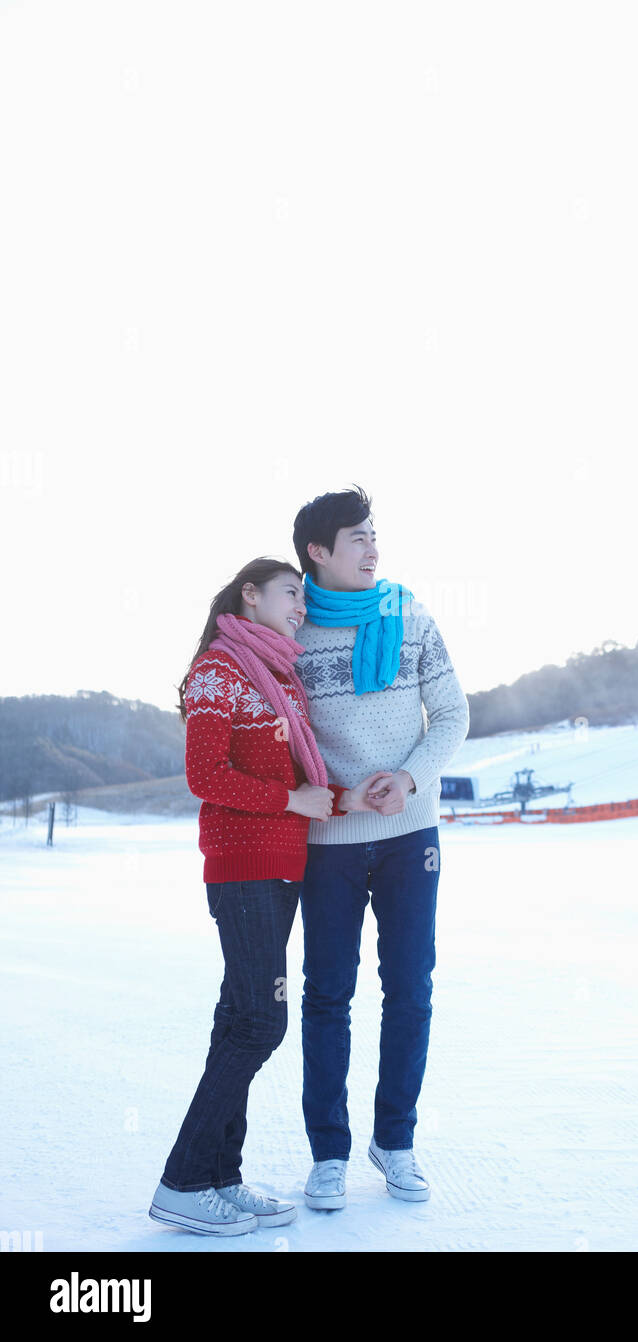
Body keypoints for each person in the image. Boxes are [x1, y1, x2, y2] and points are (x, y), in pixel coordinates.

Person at [148, 557, 389, 1236]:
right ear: (250, 595)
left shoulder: (279, 676)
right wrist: (291, 798)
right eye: (291, 594)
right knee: (260, 1021)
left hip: (280, 866)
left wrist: (348, 797)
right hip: (242, 866)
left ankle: (220, 1175)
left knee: (238, 1019)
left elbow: (300, 790)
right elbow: (205, 775)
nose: (300, 609)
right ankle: (185, 1179)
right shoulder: (219, 671)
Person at [291, 486, 470, 1209]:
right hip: (329, 840)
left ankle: (394, 1141)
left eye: (375, 535)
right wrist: (336, 798)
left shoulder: (411, 615)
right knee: (327, 994)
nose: (373, 547)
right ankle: (328, 1153)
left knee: (411, 990)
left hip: (410, 835)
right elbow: (280, 740)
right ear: (318, 551)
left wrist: (409, 776)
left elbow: (453, 713)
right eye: (357, 537)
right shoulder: (290, 632)